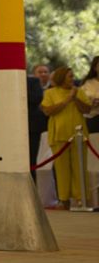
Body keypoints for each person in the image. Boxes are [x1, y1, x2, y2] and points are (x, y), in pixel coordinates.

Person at [41, 67, 93, 209]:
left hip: (78, 134)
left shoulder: (79, 91)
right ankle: (64, 200)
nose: (72, 79)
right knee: (62, 169)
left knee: (79, 167)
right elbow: (48, 111)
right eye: (70, 76)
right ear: (61, 77)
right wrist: (67, 100)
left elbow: (87, 110)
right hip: (59, 135)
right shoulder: (50, 93)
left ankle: (81, 198)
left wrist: (75, 97)